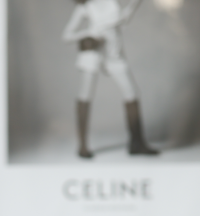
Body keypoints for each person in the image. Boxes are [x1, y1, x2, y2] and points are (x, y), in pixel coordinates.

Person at [62, 0, 159, 158]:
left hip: (114, 52)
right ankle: (83, 146)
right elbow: (66, 36)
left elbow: (125, 18)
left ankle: (137, 143)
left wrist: (135, 4)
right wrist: (89, 34)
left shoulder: (112, 2)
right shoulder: (85, 7)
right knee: (85, 95)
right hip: (93, 52)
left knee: (132, 93)